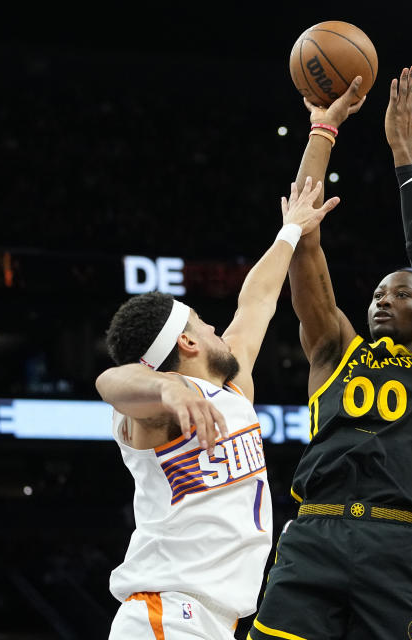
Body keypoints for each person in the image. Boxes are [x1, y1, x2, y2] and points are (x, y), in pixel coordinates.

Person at [249, 66, 412, 640]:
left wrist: (403, 153)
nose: (382, 300)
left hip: (396, 541)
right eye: (377, 293)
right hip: (314, 532)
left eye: (400, 294)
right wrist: (322, 131)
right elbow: (304, 244)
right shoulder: (335, 348)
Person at [97, 177, 340, 640]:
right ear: (187, 341)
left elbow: (259, 300)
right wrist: (168, 390)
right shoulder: (156, 413)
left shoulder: (232, 388)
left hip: (211, 620)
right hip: (167, 615)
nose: (214, 326)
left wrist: (290, 230)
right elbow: (109, 382)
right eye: (202, 322)